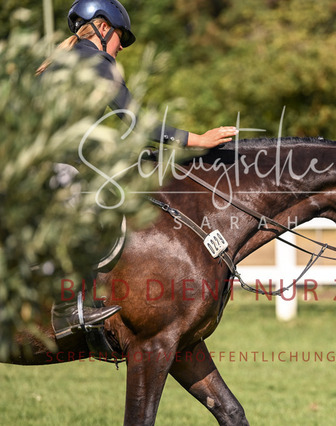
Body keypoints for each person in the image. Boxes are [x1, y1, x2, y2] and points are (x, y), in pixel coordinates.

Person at [39, 0, 239, 338]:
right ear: (103, 28)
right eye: (121, 37)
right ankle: (66, 310)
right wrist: (198, 140)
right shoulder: (96, 61)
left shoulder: (66, 60)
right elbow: (136, 122)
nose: (121, 48)